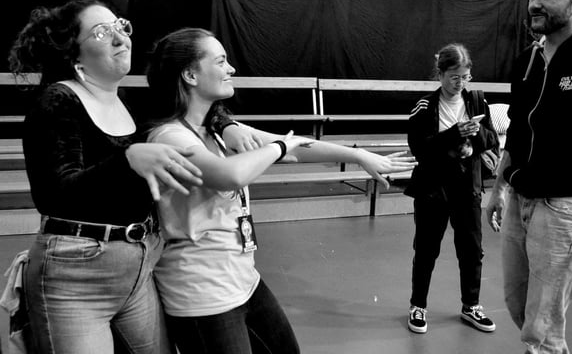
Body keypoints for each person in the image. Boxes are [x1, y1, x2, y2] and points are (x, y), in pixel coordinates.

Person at [145, 27, 418, 354]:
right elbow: (229, 176)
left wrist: (359, 156)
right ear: (190, 75)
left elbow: (299, 148)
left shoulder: (217, 129)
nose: (231, 68)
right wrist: (278, 147)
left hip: (243, 280)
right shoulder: (170, 136)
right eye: (220, 61)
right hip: (202, 295)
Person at [7, 0, 210, 354]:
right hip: (75, 277)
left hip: (138, 267)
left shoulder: (128, 101)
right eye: (102, 32)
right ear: (75, 55)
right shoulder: (58, 101)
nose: (120, 38)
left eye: (120, 26)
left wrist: (226, 124)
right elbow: (54, 195)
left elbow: (188, 105)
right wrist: (126, 160)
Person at [485, 0, 572, 353]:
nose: (535, 3)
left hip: (564, 206)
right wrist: (498, 189)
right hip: (519, 201)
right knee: (518, 306)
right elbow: (517, 131)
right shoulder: (528, 60)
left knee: (542, 326)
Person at [404, 43, 499, 334]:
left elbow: (492, 140)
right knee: (426, 249)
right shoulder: (424, 106)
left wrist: (475, 137)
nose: (460, 83)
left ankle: (471, 306)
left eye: (465, 76)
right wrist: (454, 134)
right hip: (433, 187)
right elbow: (418, 147)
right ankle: (418, 306)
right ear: (440, 74)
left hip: (467, 187)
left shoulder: (478, 102)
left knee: (472, 249)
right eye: (454, 77)